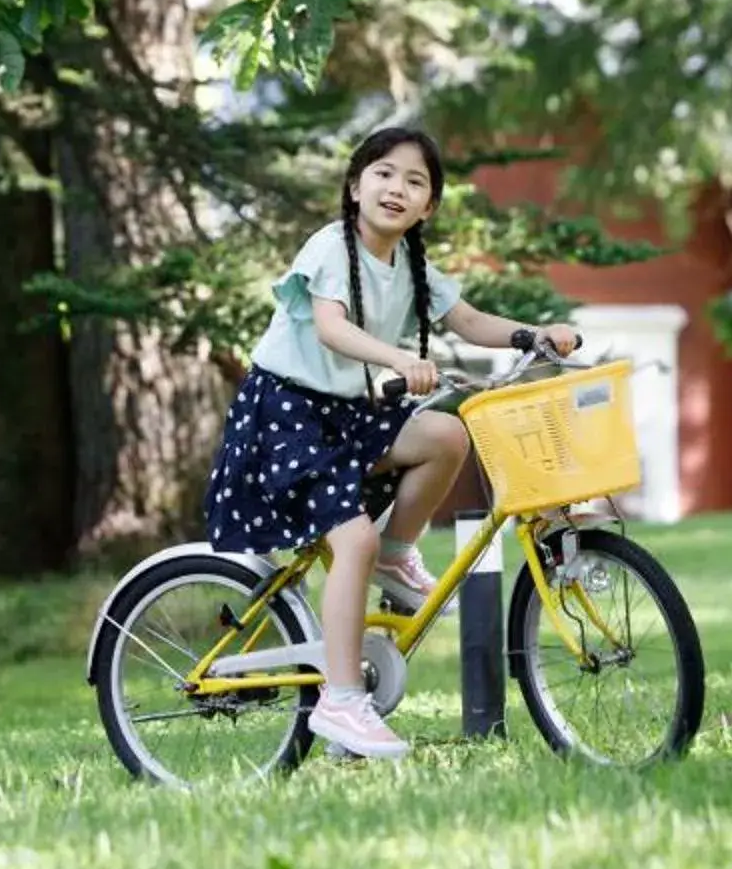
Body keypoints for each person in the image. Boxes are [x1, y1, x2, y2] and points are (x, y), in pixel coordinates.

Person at [203, 125, 579, 761]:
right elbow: (330, 328)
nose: (396, 188)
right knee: (353, 537)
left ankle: (396, 557)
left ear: (428, 206)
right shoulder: (329, 247)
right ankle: (342, 700)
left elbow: (468, 321)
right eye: (383, 173)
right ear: (355, 187)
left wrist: (532, 334)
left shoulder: (412, 266)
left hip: (347, 412)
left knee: (445, 433)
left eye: (415, 181)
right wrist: (399, 358)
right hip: (286, 413)